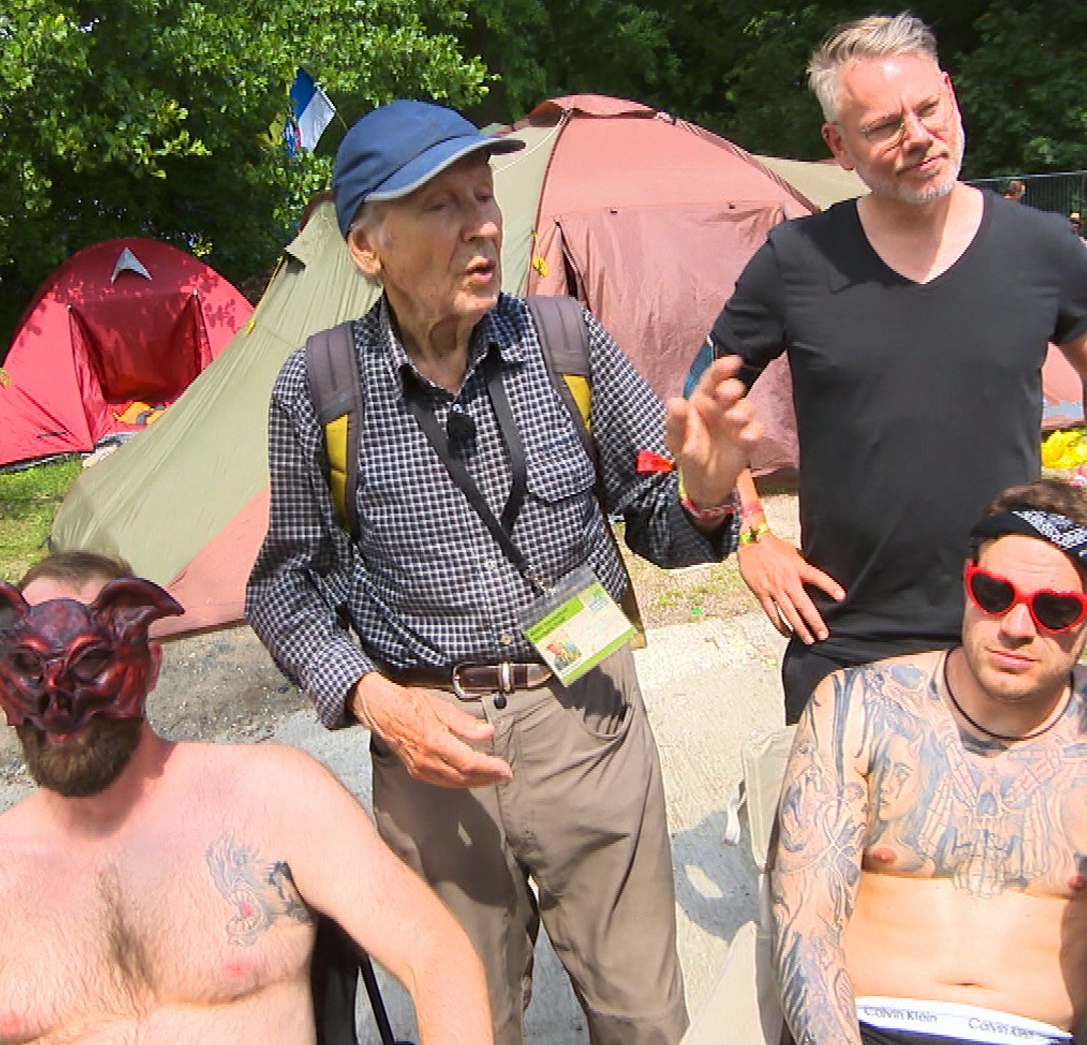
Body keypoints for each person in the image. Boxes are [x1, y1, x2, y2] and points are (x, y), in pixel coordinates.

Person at [246, 99, 760, 1045]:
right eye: (441, 205)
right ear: (369, 246)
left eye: (484, 194)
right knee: (466, 1023)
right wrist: (376, 702)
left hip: (588, 722)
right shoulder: (320, 388)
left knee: (647, 1018)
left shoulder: (563, 342)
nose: (482, 222)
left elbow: (660, 524)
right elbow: (285, 586)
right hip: (429, 747)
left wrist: (704, 494)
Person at [0, 551, 494, 1045]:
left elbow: (436, 955)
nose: (61, 700)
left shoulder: (273, 801)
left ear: (147, 662)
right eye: (31, 669)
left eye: (91, 663)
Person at [703, 12, 1087, 723]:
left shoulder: (1040, 249)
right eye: (882, 126)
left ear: (950, 93)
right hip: (846, 640)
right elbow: (706, 401)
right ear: (838, 144)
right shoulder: (796, 261)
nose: (918, 136)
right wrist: (751, 532)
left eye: (928, 108)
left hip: (1012, 628)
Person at [770, 480, 1087, 1045]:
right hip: (866, 1026)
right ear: (967, 584)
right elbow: (807, 922)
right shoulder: (861, 706)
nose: (1016, 626)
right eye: (994, 593)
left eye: (1055, 610)